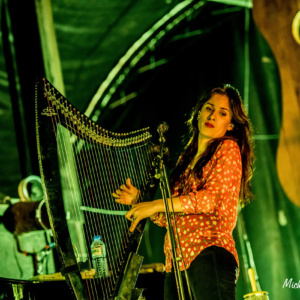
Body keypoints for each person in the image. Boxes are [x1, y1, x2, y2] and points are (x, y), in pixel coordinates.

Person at [112, 83, 254, 300]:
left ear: (231, 125)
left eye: (222, 113)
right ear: (198, 113)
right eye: (209, 108)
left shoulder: (228, 149)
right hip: (176, 263)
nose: (213, 115)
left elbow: (210, 200)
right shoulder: (185, 160)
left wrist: (156, 204)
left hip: (209, 252)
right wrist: (139, 201)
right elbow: (174, 216)